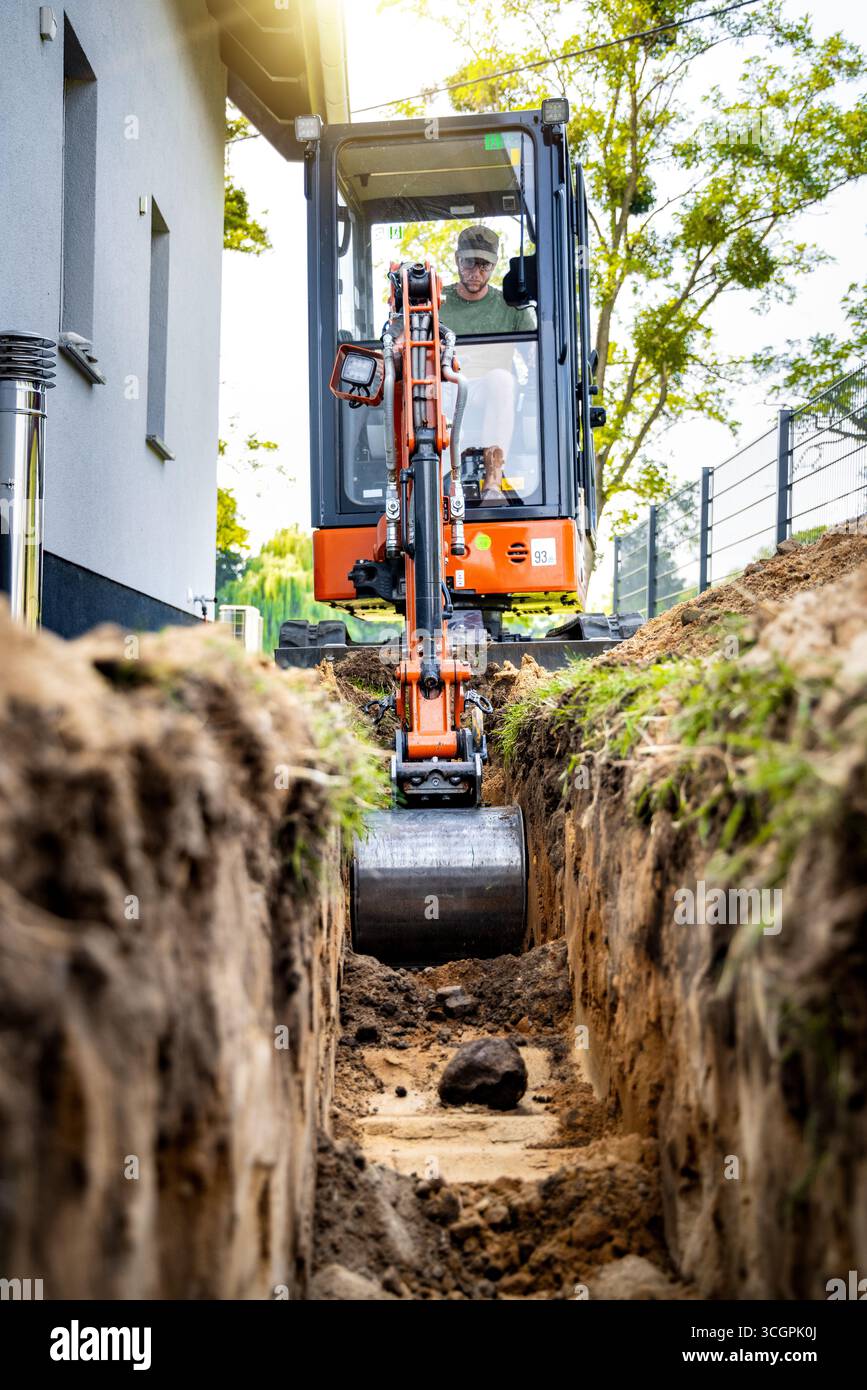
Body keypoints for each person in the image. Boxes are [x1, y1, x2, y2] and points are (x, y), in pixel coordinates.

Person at [440, 226, 536, 502]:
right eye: (469, 262)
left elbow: (533, 355)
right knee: (425, 389)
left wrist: (532, 356)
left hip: (489, 390)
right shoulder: (438, 303)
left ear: (494, 265)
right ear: (458, 259)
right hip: (447, 386)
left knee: (502, 379)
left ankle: (493, 482)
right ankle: (431, 488)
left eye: (484, 265)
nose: (475, 271)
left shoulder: (510, 307)